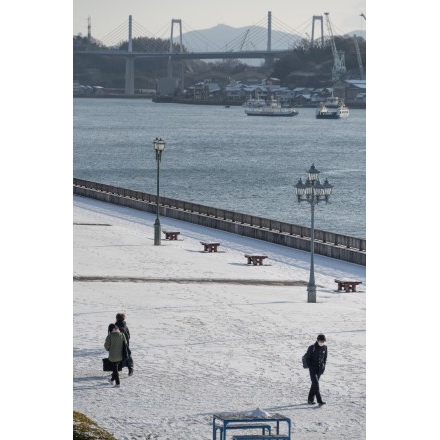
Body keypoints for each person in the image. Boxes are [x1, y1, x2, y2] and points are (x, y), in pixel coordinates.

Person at [305, 334, 328, 406]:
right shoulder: (312, 347)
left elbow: (324, 359)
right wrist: (310, 367)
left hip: (320, 370)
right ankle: (319, 400)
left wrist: (323, 367)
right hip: (313, 369)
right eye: (321, 341)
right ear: (317, 340)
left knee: (314, 384)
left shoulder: (325, 348)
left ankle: (310, 400)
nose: (322, 343)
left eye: (323, 341)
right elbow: (307, 358)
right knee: (316, 385)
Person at [104, 323, 127, 387]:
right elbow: (125, 343)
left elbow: (106, 346)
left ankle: (118, 383)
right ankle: (112, 380)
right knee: (115, 368)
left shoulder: (110, 336)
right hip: (120, 355)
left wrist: (109, 349)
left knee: (115, 369)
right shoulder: (122, 334)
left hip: (113, 355)